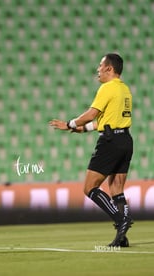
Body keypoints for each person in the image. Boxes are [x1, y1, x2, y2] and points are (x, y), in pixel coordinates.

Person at [49, 53, 133, 247]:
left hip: (110, 142)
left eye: (100, 65)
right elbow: (104, 121)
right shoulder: (124, 90)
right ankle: (122, 236)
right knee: (116, 189)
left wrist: (69, 123)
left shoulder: (107, 88)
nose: (98, 69)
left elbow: (91, 114)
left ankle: (121, 220)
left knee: (89, 188)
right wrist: (82, 129)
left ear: (109, 69)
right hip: (125, 140)